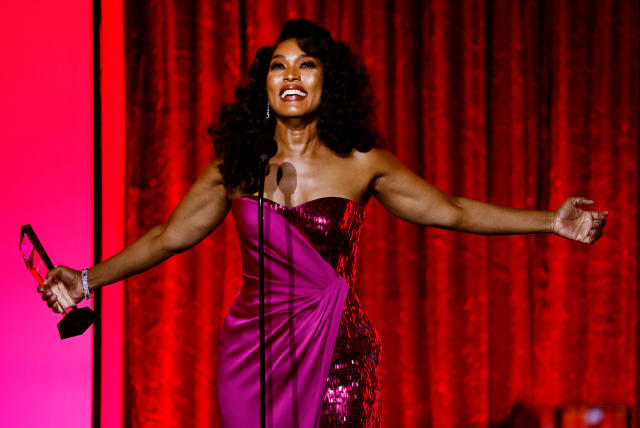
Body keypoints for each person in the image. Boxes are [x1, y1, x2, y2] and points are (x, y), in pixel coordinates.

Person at [38, 19, 607, 428]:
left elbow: (452, 209)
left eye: (305, 64)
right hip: (253, 359)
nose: (291, 75)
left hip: (340, 351)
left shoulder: (362, 163)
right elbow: (167, 237)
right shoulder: (234, 166)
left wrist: (551, 222)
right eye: (278, 66)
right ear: (264, 86)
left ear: (325, 82)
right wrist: (85, 280)